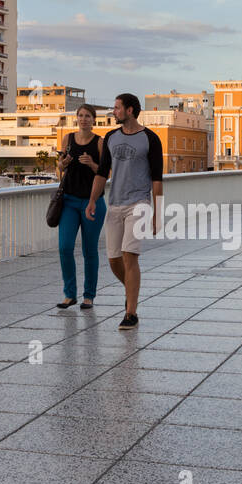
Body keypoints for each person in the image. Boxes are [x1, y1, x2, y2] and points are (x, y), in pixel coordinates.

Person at [86, 93, 163, 330]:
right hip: (115, 204)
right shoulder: (110, 137)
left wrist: (157, 214)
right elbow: (102, 173)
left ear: (130, 110)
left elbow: (157, 179)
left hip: (139, 203)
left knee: (130, 255)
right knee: (113, 259)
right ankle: (132, 291)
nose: (114, 112)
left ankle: (131, 313)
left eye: (117, 108)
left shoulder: (150, 138)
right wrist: (91, 201)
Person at [55, 105, 105, 309]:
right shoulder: (67, 139)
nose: (84, 119)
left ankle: (89, 296)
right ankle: (69, 294)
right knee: (65, 247)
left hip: (92, 201)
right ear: (76, 118)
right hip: (69, 200)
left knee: (89, 250)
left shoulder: (100, 142)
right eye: (80, 116)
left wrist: (92, 163)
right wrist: (64, 163)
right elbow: (59, 166)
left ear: (93, 120)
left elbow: (104, 173)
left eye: (88, 116)